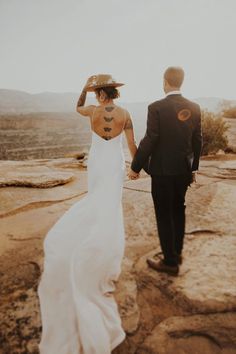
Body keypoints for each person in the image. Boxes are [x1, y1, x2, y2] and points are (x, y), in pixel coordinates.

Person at [37, 74, 138, 354]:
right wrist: (136, 168)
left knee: (95, 199)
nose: (95, 97)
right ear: (113, 93)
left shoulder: (92, 111)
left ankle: (90, 231)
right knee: (110, 203)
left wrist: (82, 88)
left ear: (98, 94)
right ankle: (104, 242)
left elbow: (76, 108)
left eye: (95, 92)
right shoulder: (126, 114)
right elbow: (131, 146)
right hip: (114, 163)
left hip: (98, 162)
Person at [128, 66, 202, 276]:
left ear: (165, 82)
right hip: (183, 171)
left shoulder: (156, 107)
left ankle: (169, 262)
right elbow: (198, 140)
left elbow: (151, 139)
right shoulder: (195, 107)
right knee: (179, 209)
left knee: (163, 214)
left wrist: (135, 167)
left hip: (162, 172)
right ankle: (176, 253)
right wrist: (194, 168)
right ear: (181, 81)